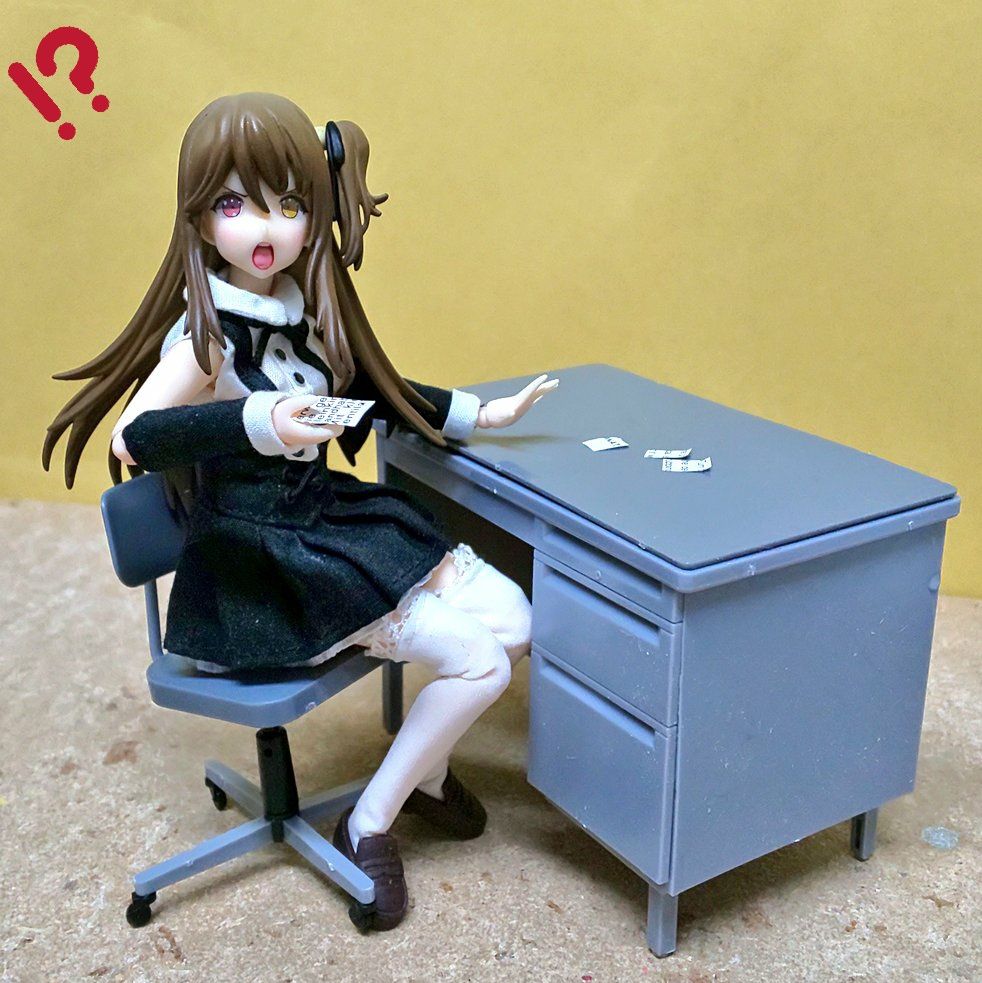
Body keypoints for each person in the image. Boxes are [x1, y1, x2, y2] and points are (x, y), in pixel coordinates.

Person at [42, 92, 558, 931]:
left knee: (515, 619)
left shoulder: (302, 310)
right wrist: (255, 420)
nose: (267, 228)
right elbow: (134, 437)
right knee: (481, 666)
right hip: (264, 562)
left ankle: (425, 774)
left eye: (289, 205)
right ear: (200, 217)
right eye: (235, 204)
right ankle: (371, 822)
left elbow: (368, 389)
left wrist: (477, 413)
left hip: (326, 520)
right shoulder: (204, 337)